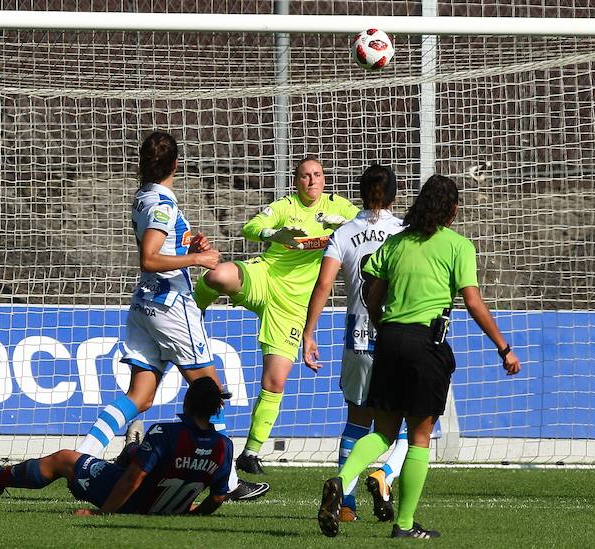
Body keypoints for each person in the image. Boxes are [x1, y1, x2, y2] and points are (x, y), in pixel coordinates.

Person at [317, 174, 521, 538]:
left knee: (382, 432)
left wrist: (385, 328)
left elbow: (373, 297)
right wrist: (503, 347)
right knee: (420, 438)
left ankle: (341, 480)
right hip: (426, 345)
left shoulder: (396, 243)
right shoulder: (457, 246)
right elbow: (472, 302)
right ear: (453, 210)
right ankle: (405, 526)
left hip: (389, 340)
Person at [73, 131, 267, 501]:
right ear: (177, 163)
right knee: (210, 390)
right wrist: (198, 258)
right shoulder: (161, 202)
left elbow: (161, 244)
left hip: (146, 305)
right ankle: (228, 483)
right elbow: (149, 257)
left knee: (140, 397)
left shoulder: (145, 196)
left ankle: (83, 461)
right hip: (170, 307)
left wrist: (189, 242)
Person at [194, 157, 360, 474]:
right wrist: (278, 234)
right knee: (218, 276)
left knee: (275, 381)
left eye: (317, 175)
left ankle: (251, 453)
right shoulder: (286, 205)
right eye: (305, 176)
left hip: (293, 306)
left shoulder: (340, 208)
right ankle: (193, 312)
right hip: (265, 278)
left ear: (325, 180)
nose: (311, 181)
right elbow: (250, 227)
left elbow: (365, 224)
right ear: (296, 181)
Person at [302, 164, 409, 523]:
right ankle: (385, 475)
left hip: (358, 337)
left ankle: (345, 503)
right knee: (408, 425)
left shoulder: (344, 233)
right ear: (394, 195)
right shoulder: (403, 234)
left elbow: (323, 285)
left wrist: (309, 333)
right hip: (395, 337)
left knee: (357, 421)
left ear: (360, 194)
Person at [0, 377, 235, 516]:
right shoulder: (225, 445)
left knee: (64, 459)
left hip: (129, 500)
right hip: (167, 506)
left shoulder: (166, 432)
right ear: (215, 409)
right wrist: (193, 514)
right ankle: (132, 450)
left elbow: (133, 479)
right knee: (143, 458)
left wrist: (102, 513)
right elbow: (217, 497)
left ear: (187, 402)